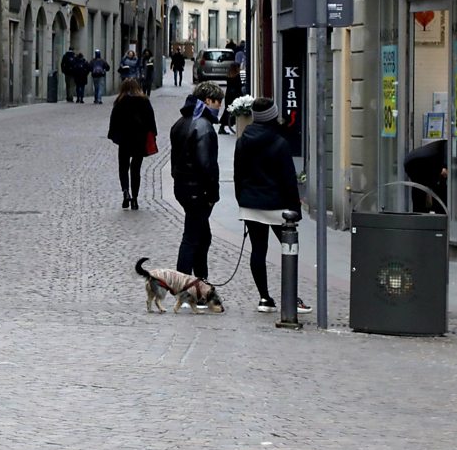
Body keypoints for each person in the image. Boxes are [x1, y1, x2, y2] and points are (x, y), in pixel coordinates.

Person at [233, 98, 311, 313]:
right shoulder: (279, 143)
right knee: (289, 251)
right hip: (278, 206)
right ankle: (291, 298)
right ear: (272, 116)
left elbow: (238, 175)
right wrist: (295, 210)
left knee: (258, 250)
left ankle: (264, 298)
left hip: (251, 204)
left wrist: (242, 200)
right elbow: (288, 180)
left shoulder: (242, 141)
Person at [170, 81, 224, 281]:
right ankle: (184, 284)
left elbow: (175, 160)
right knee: (192, 238)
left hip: (184, 188)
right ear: (208, 100)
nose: (220, 106)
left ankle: (201, 281)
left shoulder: (181, 122)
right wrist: (212, 194)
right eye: (217, 101)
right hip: (198, 191)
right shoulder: (204, 126)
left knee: (202, 236)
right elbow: (207, 165)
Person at [107, 78, 157, 210]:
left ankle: (125, 192)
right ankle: (134, 199)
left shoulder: (120, 101)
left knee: (123, 167)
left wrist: (115, 136)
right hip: (139, 139)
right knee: (136, 169)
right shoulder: (144, 101)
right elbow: (151, 120)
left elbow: (114, 122)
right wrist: (152, 134)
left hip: (125, 140)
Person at [404, 139, 448, 213]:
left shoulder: (445, 145)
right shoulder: (448, 146)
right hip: (417, 164)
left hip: (413, 161)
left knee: (421, 189)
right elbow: (445, 171)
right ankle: (437, 213)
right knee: (424, 190)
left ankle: (423, 211)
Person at [220, 63, 244, 135]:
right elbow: (238, 86)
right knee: (236, 110)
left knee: (228, 110)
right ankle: (237, 124)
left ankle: (222, 126)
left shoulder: (229, 76)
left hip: (229, 95)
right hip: (235, 95)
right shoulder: (237, 76)